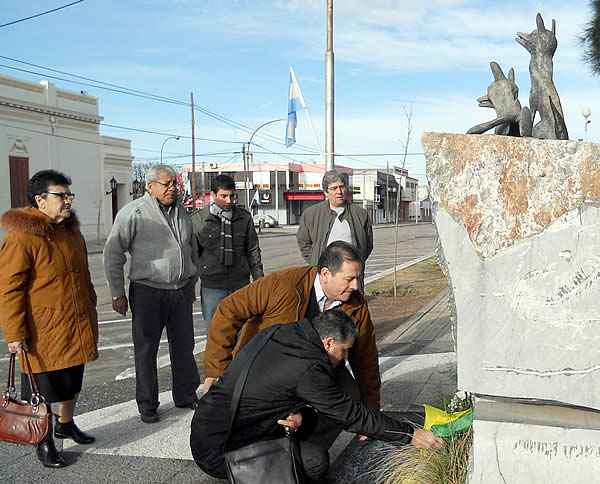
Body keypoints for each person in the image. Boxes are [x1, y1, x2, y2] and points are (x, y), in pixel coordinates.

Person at [191, 310, 445, 481]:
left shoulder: (283, 332)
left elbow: (274, 387)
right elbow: (350, 414)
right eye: (344, 351)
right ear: (328, 342)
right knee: (316, 461)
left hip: (209, 425)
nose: (345, 359)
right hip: (219, 451)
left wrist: (299, 415)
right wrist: (411, 435)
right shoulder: (308, 368)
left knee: (311, 419)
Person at [203, 241, 378, 448]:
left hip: (322, 367)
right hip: (269, 366)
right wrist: (216, 369)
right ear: (325, 274)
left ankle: (308, 451)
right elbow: (228, 310)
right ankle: (263, 451)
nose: (356, 286)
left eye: (358, 278)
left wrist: (371, 410)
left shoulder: (356, 304)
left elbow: (366, 357)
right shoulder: (283, 284)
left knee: (350, 394)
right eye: (349, 279)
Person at [0, 170, 98, 469]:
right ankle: (44, 441)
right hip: (42, 330)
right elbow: (9, 288)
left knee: (73, 380)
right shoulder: (22, 236)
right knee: (40, 390)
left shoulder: (70, 230)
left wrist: (91, 301)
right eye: (61, 195)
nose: (68, 201)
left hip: (76, 321)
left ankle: (65, 424)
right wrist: (15, 334)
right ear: (40, 200)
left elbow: (83, 274)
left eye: (69, 195)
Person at [103, 164, 200, 424]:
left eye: (175, 184)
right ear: (150, 186)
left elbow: (192, 250)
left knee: (184, 346)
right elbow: (113, 253)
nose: (173, 188)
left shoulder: (181, 211)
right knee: (146, 350)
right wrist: (117, 293)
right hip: (148, 292)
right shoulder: (133, 213)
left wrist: (191, 284)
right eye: (166, 184)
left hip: (179, 291)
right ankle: (147, 404)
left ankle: (186, 394)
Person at [190, 174, 263, 331]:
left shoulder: (244, 218)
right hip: (212, 288)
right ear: (213, 195)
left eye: (232, 196)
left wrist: (259, 281)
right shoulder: (198, 221)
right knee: (216, 334)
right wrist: (190, 287)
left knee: (243, 334)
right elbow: (193, 258)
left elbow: (253, 251)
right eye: (223, 196)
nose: (229, 201)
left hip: (240, 285)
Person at [296, 169, 373, 291]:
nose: (339, 192)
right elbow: (303, 241)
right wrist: (315, 261)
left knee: (353, 308)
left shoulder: (360, 214)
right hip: (323, 277)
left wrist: (357, 263)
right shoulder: (311, 215)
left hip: (353, 278)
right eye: (334, 188)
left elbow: (367, 245)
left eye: (342, 187)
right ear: (326, 191)